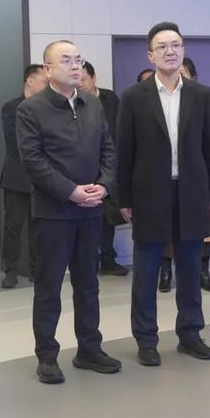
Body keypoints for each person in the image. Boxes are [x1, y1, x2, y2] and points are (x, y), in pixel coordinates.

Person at [116, 22, 210, 367]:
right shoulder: (133, 97)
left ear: (183, 51)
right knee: (147, 271)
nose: (170, 51)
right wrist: (124, 198)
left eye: (175, 45)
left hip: (192, 193)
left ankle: (190, 335)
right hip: (149, 195)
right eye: (162, 46)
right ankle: (146, 340)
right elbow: (125, 152)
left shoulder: (200, 94)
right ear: (150, 55)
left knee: (190, 269)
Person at [17, 40, 122, 384]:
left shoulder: (93, 104)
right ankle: (47, 355)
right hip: (54, 213)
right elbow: (33, 161)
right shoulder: (31, 109)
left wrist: (103, 186)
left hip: (91, 210)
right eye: (66, 61)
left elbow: (109, 149)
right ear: (47, 69)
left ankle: (89, 349)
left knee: (88, 284)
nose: (75, 66)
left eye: (78, 60)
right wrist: (71, 191)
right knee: (49, 287)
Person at [159, 57, 210, 293]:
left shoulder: (203, 100)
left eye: (184, 73)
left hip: (197, 181)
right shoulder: (158, 102)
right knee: (167, 229)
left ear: (192, 77)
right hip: (166, 180)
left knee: (202, 232)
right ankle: (166, 271)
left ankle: (202, 272)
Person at [0, 64, 48, 288]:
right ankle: (10, 269)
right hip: (17, 176)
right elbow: (16, 141)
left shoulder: (48, 107)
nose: (47, 86)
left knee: (38, 227)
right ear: (30, 80)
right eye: (44, 81)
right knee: (13, 225)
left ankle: (36, 270)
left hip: (42, 178)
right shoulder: (11, 108)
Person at [80, 61, 128, 277]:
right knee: (91, 216)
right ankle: (90, 262)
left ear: (93, 79)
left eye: (83, 79)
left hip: (111, 165)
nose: (80, 84)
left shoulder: (110, 99)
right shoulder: (74, 101)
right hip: (87, 167)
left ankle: (108, 259)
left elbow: (120, 129)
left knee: (110, 217)